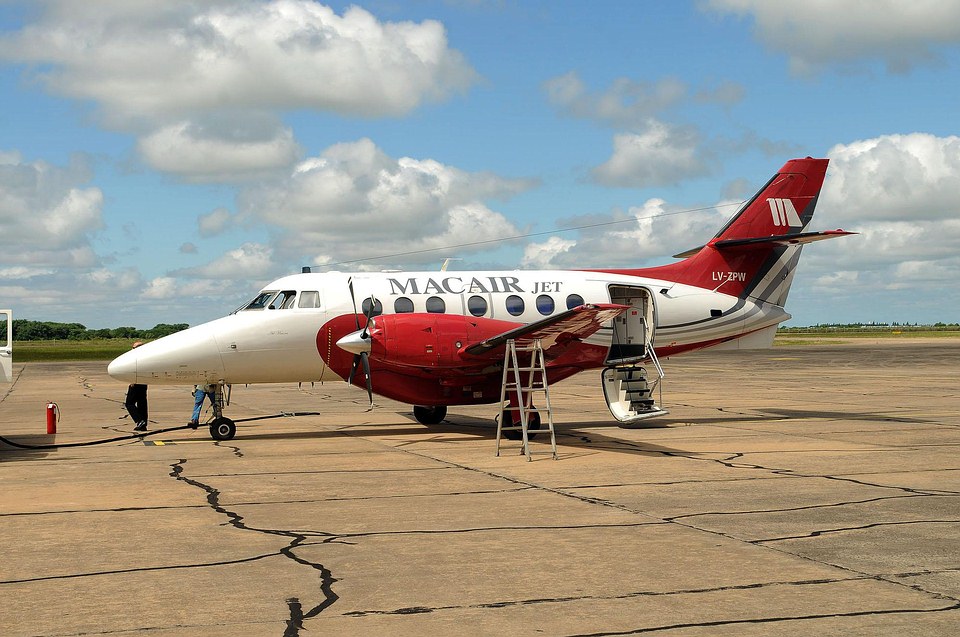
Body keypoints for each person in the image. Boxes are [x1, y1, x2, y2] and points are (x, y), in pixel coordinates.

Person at [124, 341, 149, 432]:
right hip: (144, 382)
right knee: (142, 404)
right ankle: (143, 424)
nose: (132, 349)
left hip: (136, 382)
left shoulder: (136, 358)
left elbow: (133, 370)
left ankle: (139, 420)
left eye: (134, 348)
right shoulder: (146, 357)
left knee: (129, 403)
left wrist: (132, 381)